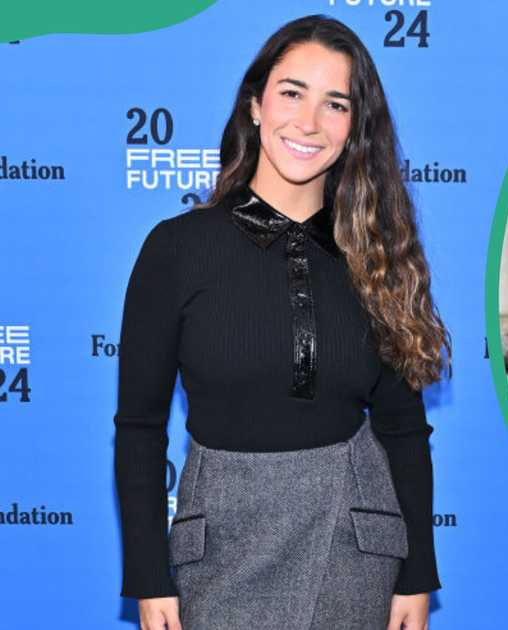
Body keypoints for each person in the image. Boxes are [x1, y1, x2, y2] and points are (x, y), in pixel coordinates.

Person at [113, 15, 448, 630]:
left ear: (354, 130)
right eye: (292, 93)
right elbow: (139, 426)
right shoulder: (176, 249)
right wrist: (146, 577)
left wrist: (417, 573)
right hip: (221, 545)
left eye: (336, 104)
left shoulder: (375, 257)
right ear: (256, 106)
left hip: (354, 546)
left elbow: (403, 430)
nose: (310, 122)